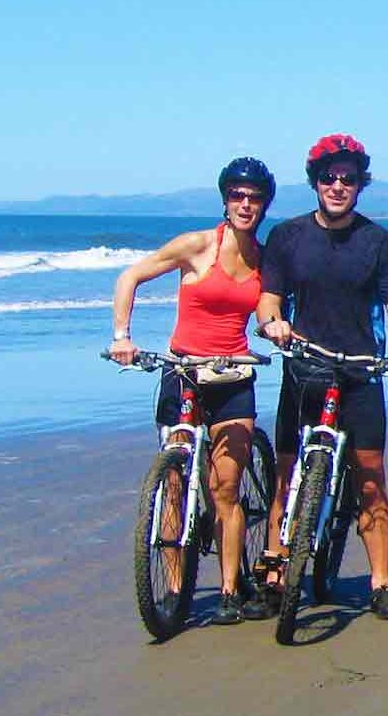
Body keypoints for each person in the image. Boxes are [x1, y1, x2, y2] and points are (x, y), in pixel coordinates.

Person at [253, 133, 388, 621]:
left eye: (348, 179)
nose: (337, 186)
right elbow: (269, 297)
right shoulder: (287, 237)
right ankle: (275, 571)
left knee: (370, 479)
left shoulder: (379, 242)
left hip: (361, 372)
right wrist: (272, 324)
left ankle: (381, 582)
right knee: (286, 476)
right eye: (328, 177)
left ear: (359, 185)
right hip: (304, 368)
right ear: (314, 182)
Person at [109, 157, 274, 625]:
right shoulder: (196, 246)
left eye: (255, 197)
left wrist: (275, 327)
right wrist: (122, 335)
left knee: (225, 487)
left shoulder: (264, 260)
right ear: (225, 199)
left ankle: (228, 591)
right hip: (183, 370)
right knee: (174, 486)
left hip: (233, 377)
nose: (245, 204)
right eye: (238, 196)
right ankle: (176, 591)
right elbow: (130, 277)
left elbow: (266, 314)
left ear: (264, 205)